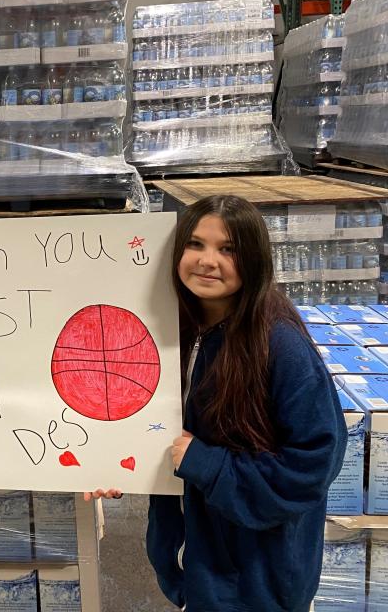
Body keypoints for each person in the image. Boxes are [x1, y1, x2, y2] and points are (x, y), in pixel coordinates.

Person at [140, 194, 346, 612]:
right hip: (196, 568)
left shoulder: (280, 346)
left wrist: (208, 463)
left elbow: (312, 466)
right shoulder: (171, 332)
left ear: (253, 259)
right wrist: (113, 463)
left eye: (227, 248)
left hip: (256, 585)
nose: (207, 260)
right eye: (195, 244)